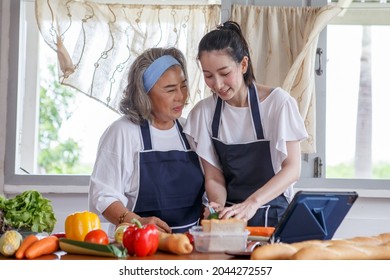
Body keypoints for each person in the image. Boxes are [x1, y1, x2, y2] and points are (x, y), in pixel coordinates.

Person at [183, 21, 308, 227]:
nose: (218, 84)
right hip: (230, 218)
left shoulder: (278, 104)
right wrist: (217, 206)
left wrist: (252, 203)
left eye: (224, 73)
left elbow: (292, 169)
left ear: (243, 65)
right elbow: (214, 178)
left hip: (273, 212)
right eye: (208, 76)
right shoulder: (203, 113)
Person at [89, 47, 205, 236]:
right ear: (145, 93)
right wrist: (137, 222)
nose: (181, 96)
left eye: (183, 85)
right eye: (170, 89)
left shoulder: (191, 131)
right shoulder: (123, 132)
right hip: (138, 245)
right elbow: (103, 196)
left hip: (188, 246)